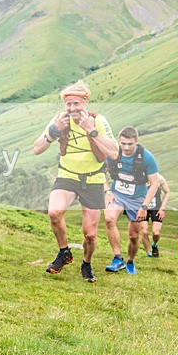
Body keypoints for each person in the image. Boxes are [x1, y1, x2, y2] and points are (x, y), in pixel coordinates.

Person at [32, 81, 119, 283]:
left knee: (90, 234)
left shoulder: (98, 121)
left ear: (85, 102)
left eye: (76, 104)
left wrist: (92, 131)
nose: (72, 109)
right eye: (68, 104)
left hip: (93, 179)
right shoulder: (60, 120)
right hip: (67, 176)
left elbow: (114, 153)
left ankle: (86, 264)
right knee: (54, 213)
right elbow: (36, 149)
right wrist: (53, 132)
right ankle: (64, 252)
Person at [103, 127, 160, 275]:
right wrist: (107, 190)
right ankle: (117, 258)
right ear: (119, 141)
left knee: (133, 236)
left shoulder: (146, 157)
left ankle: (130, 262)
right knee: (109, 219)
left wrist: (144, 206)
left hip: (137, 198)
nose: (126, 148)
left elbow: (155, 184)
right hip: (117, 194)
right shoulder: (113, 153)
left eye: (130, 144)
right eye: (123, 143)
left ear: (136, 142)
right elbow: (100, 171)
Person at [140, 174, 169, 257]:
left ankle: (154, 245)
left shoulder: (159, 178)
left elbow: (167, 192)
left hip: (156, 208)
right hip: (142, 207)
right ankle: (148, 253)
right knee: (144, 231)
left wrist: (162, 208)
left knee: (156, 233)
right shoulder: (138, 176)